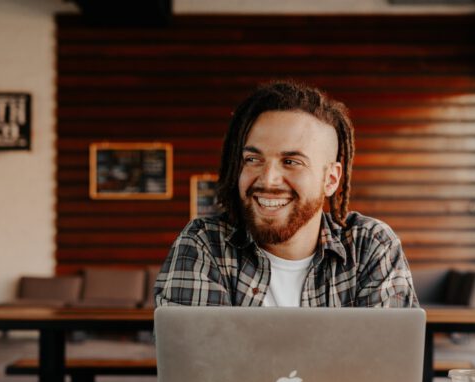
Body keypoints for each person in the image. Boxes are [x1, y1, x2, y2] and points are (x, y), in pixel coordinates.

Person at [154, 80, 417, 308]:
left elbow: (385, 364)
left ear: (331, 179)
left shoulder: (370, 246)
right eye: (253, 159)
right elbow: (199, 362)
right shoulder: (204, 244)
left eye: (291, 161)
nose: (268, 179)